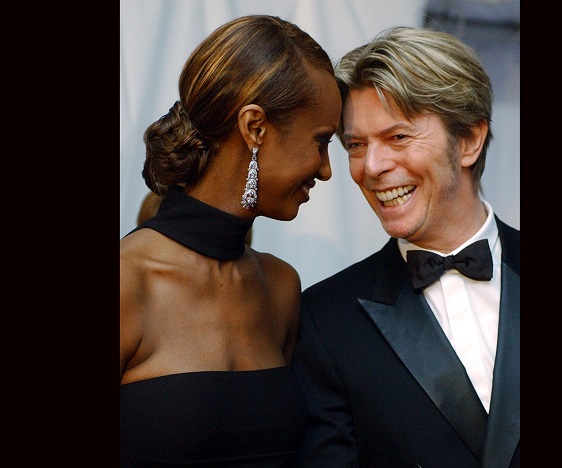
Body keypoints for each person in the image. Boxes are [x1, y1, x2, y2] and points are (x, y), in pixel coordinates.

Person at [291, 26, 520, 467]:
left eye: (397, 137)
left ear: (469, 140)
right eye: (356, 145)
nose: (372, 167)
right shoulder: (325, 319)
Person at [120, 14, 341, 467]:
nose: (325, 169)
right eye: (321, 142)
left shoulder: (280, 288)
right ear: (255, 127)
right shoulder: (127, 282)